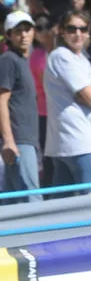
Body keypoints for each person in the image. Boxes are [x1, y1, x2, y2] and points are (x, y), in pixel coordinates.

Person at [44, 8, 91, 193]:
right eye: (72, 29)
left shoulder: (82, 60)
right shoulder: (62, 57)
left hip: (80, 140)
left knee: (64, 208)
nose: (78, 33)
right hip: (77, 141)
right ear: (62, 31)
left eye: (83, 29)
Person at [0, 12, 42, 203]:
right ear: (8, 35)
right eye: (18, 31)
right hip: (19, 140)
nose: (24, 35)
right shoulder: (9, 60)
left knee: (12, 199)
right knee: (31, 197)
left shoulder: (23, 60)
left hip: (27, 139)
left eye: (27, 29)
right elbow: (2, 100)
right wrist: (9, 141)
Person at [29, 14, 53, 185]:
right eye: (38, 28)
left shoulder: (54, 53)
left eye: (45, 27)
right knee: (48, 157)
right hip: (44, 112)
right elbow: (48, 84)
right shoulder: (38, 56)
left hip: (53, 111)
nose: (42, 31)